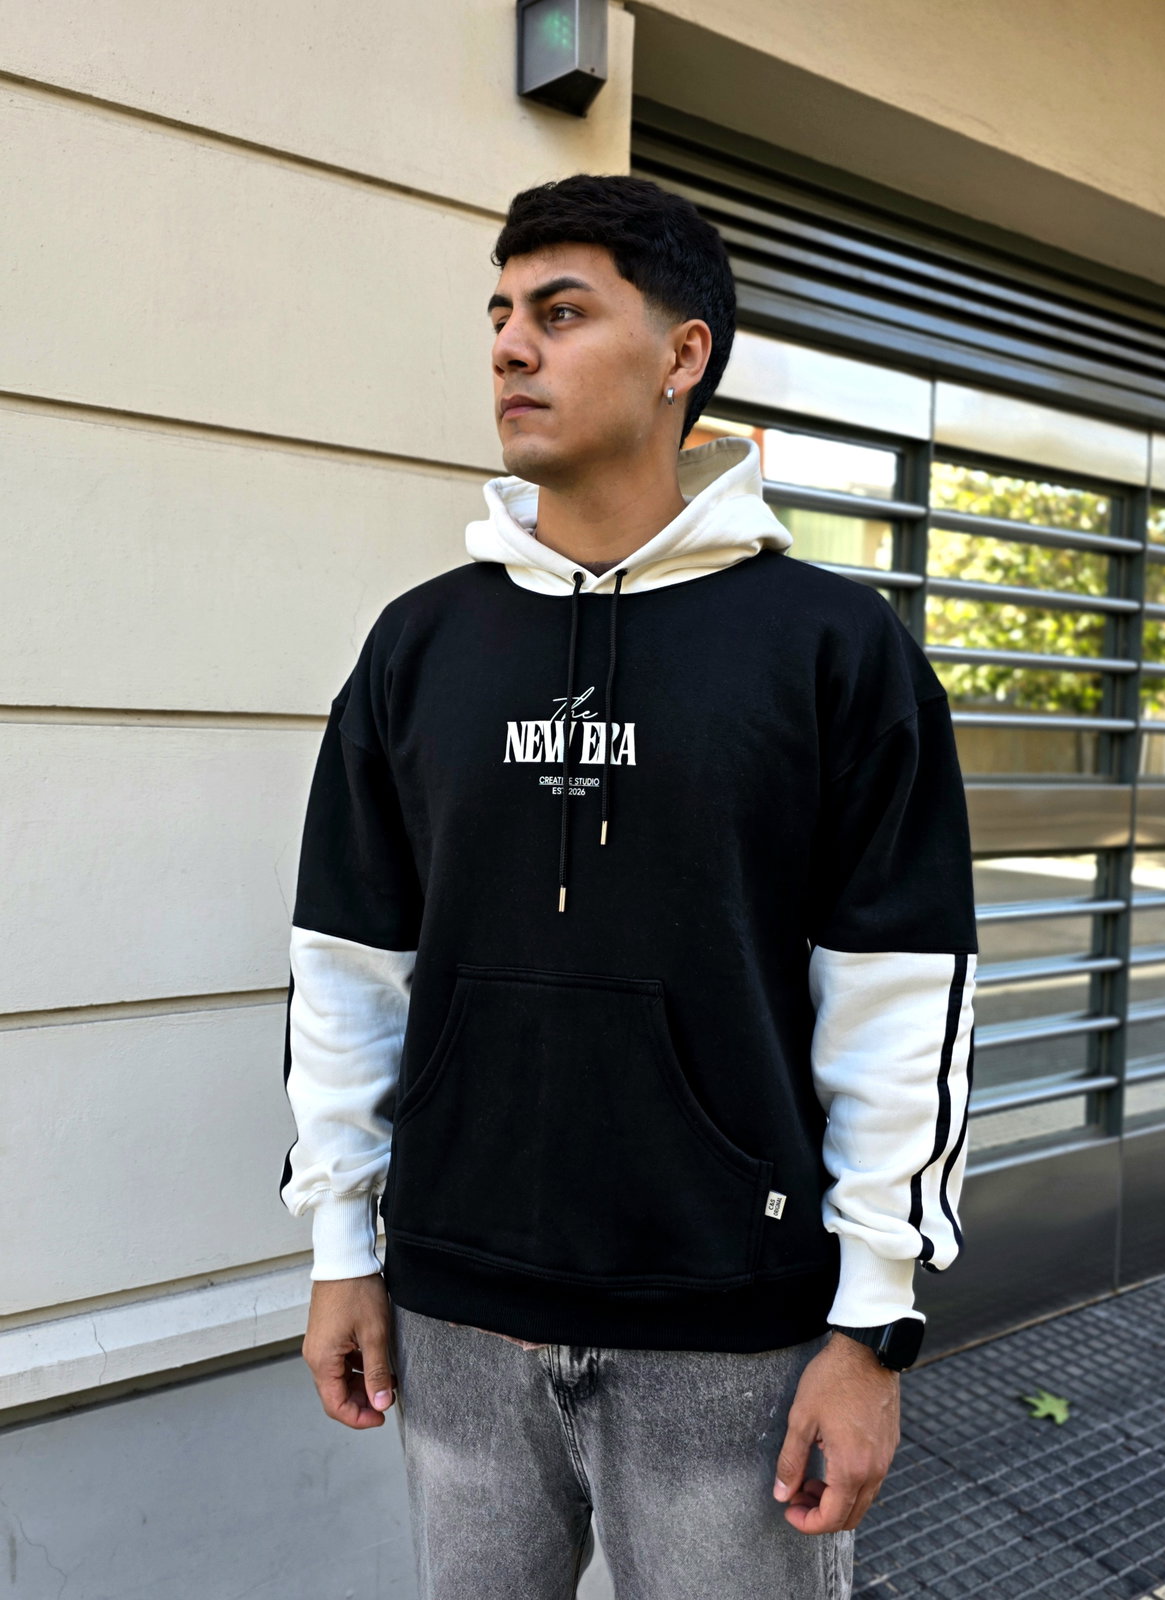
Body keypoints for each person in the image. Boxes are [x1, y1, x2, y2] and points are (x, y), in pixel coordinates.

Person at [278, 172, 977, 1598]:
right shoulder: (418, 647)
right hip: (459, 1312)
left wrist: (873, 1326)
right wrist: (343, 1246)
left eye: (560, 312)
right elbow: (350, 965)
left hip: (734, 1330)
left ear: (681, 355)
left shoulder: (832, 649)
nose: (508, 348)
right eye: (499, 315)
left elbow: (900, 999)